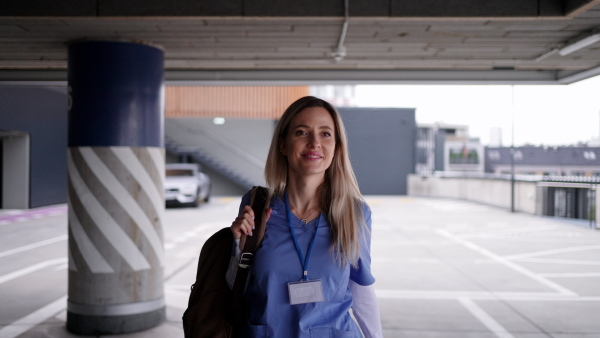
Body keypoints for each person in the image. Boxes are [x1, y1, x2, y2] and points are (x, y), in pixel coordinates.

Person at [226, 96, 383, 337]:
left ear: (337, 147)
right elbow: (234, 286)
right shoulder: (256, 205)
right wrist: (238, 248)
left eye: (325, 134)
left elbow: (361, 289)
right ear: (283, 145)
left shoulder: (354, 213)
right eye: (301, 132)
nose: (314, 143)